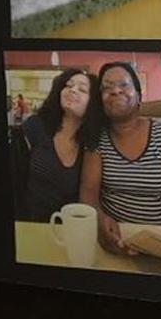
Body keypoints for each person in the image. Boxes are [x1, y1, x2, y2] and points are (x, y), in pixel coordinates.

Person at [80, 61, 161, 254]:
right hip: (112, 240)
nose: (115, 91)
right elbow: (88, 192)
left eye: (124, 84)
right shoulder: (97, 138)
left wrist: (152, 246)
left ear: (138, 94)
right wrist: (100, 220)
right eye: (106, 88)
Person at [17, 68, 101, 221]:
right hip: (32, 224)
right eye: (68, 85)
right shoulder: (35, 126)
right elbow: (15, 182)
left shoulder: (92, 142)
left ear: (93, 102)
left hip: (72, 227)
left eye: (82, 89)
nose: (73, 90)